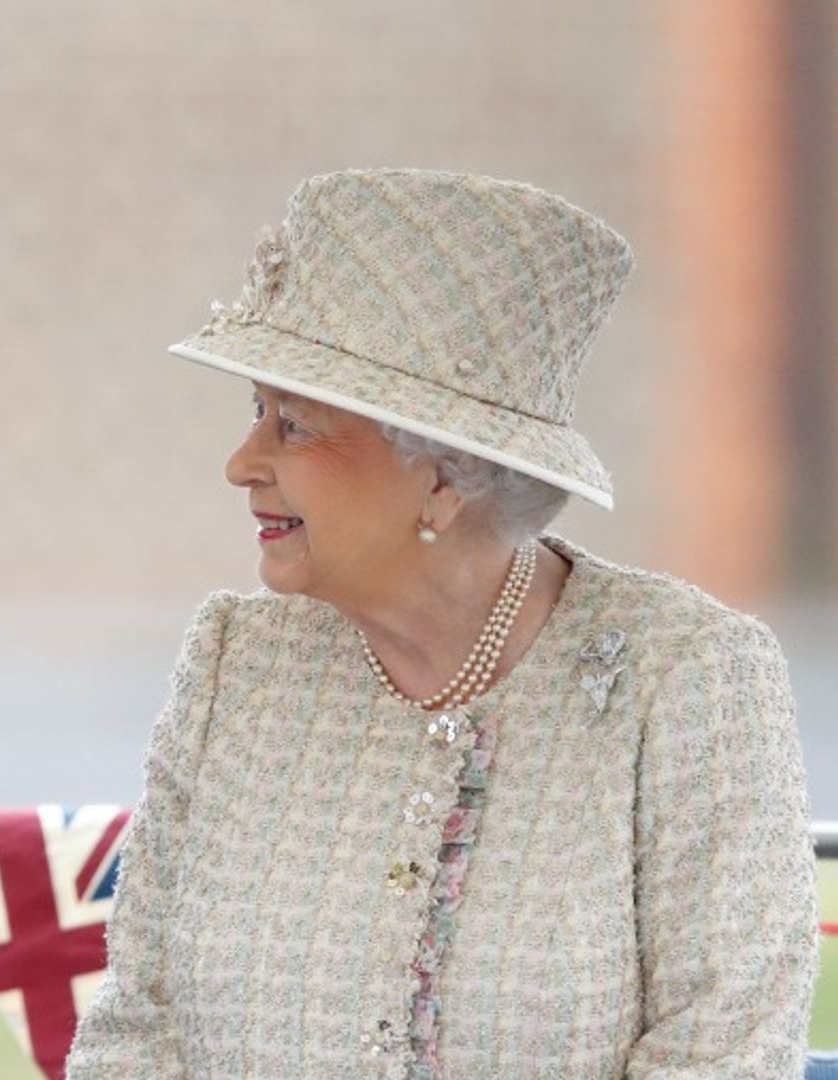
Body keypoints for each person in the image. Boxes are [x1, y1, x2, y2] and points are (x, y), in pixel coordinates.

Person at [67, 169, 816, 1078]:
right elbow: (135, 1033)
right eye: (254, 412)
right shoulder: (238, 660)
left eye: (294, 426)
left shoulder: (687, 677)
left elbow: (726, 1054)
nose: (242, 463)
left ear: (444, 476)